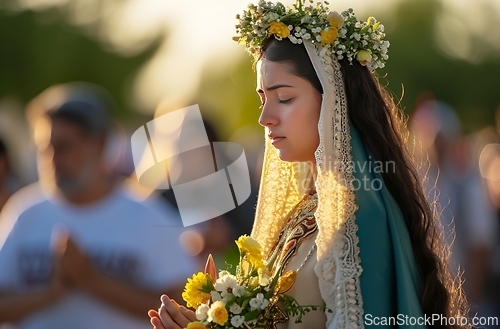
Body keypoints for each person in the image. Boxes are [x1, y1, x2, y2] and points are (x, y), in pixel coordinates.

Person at [149, 1, 470, 328]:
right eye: (263, 99)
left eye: (284, 98)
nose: (265, 118)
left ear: (333, 99)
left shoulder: (359, 221)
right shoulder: (305, 210)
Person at [0, 82, 195, 329]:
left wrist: (89, 279)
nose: (51, 158)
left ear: (100, 144)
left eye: (64, 146)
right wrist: (49, 295)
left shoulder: (150, 217)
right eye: (43, 147)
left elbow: (182, 308)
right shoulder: (23, 212)